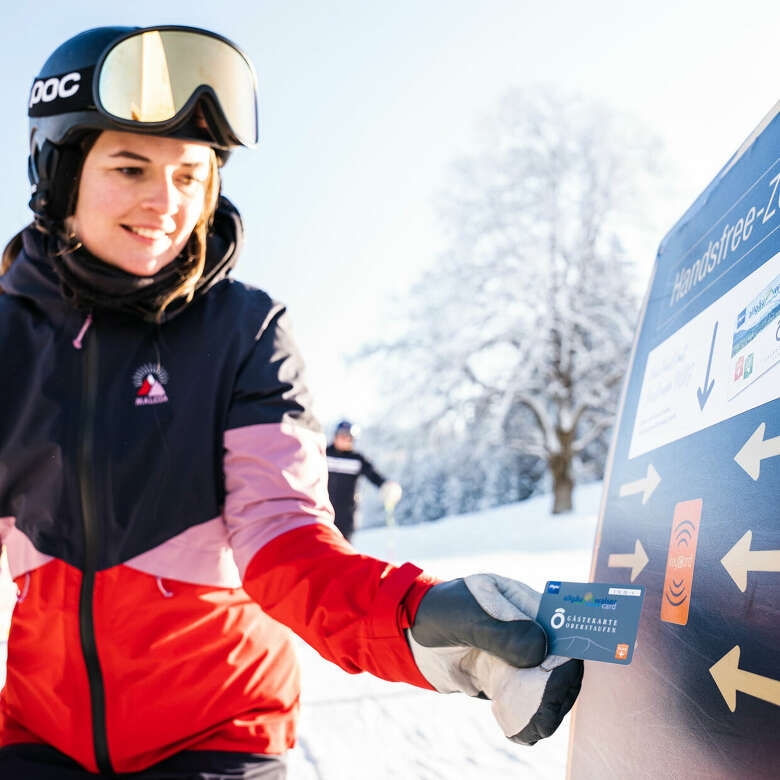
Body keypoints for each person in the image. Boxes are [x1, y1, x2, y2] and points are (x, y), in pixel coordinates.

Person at [0, 25, 583, 779]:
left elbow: (285, 543)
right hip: (39, 736)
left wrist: (419, 623)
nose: (164, 202)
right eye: (131, 166)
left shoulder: (244, 331)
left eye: (189, 175)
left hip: (217, 732)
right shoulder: (9, 341)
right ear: (57, 172)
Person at [326, 419, 402, 541]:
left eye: (348, 437)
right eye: (341, 435)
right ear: (335, 436)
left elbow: (373, 475)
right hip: (324, 511)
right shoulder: (324, 454)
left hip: (346, 514)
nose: (344, 439)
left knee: (343, 547)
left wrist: (386, 485)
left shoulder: (357, 459)